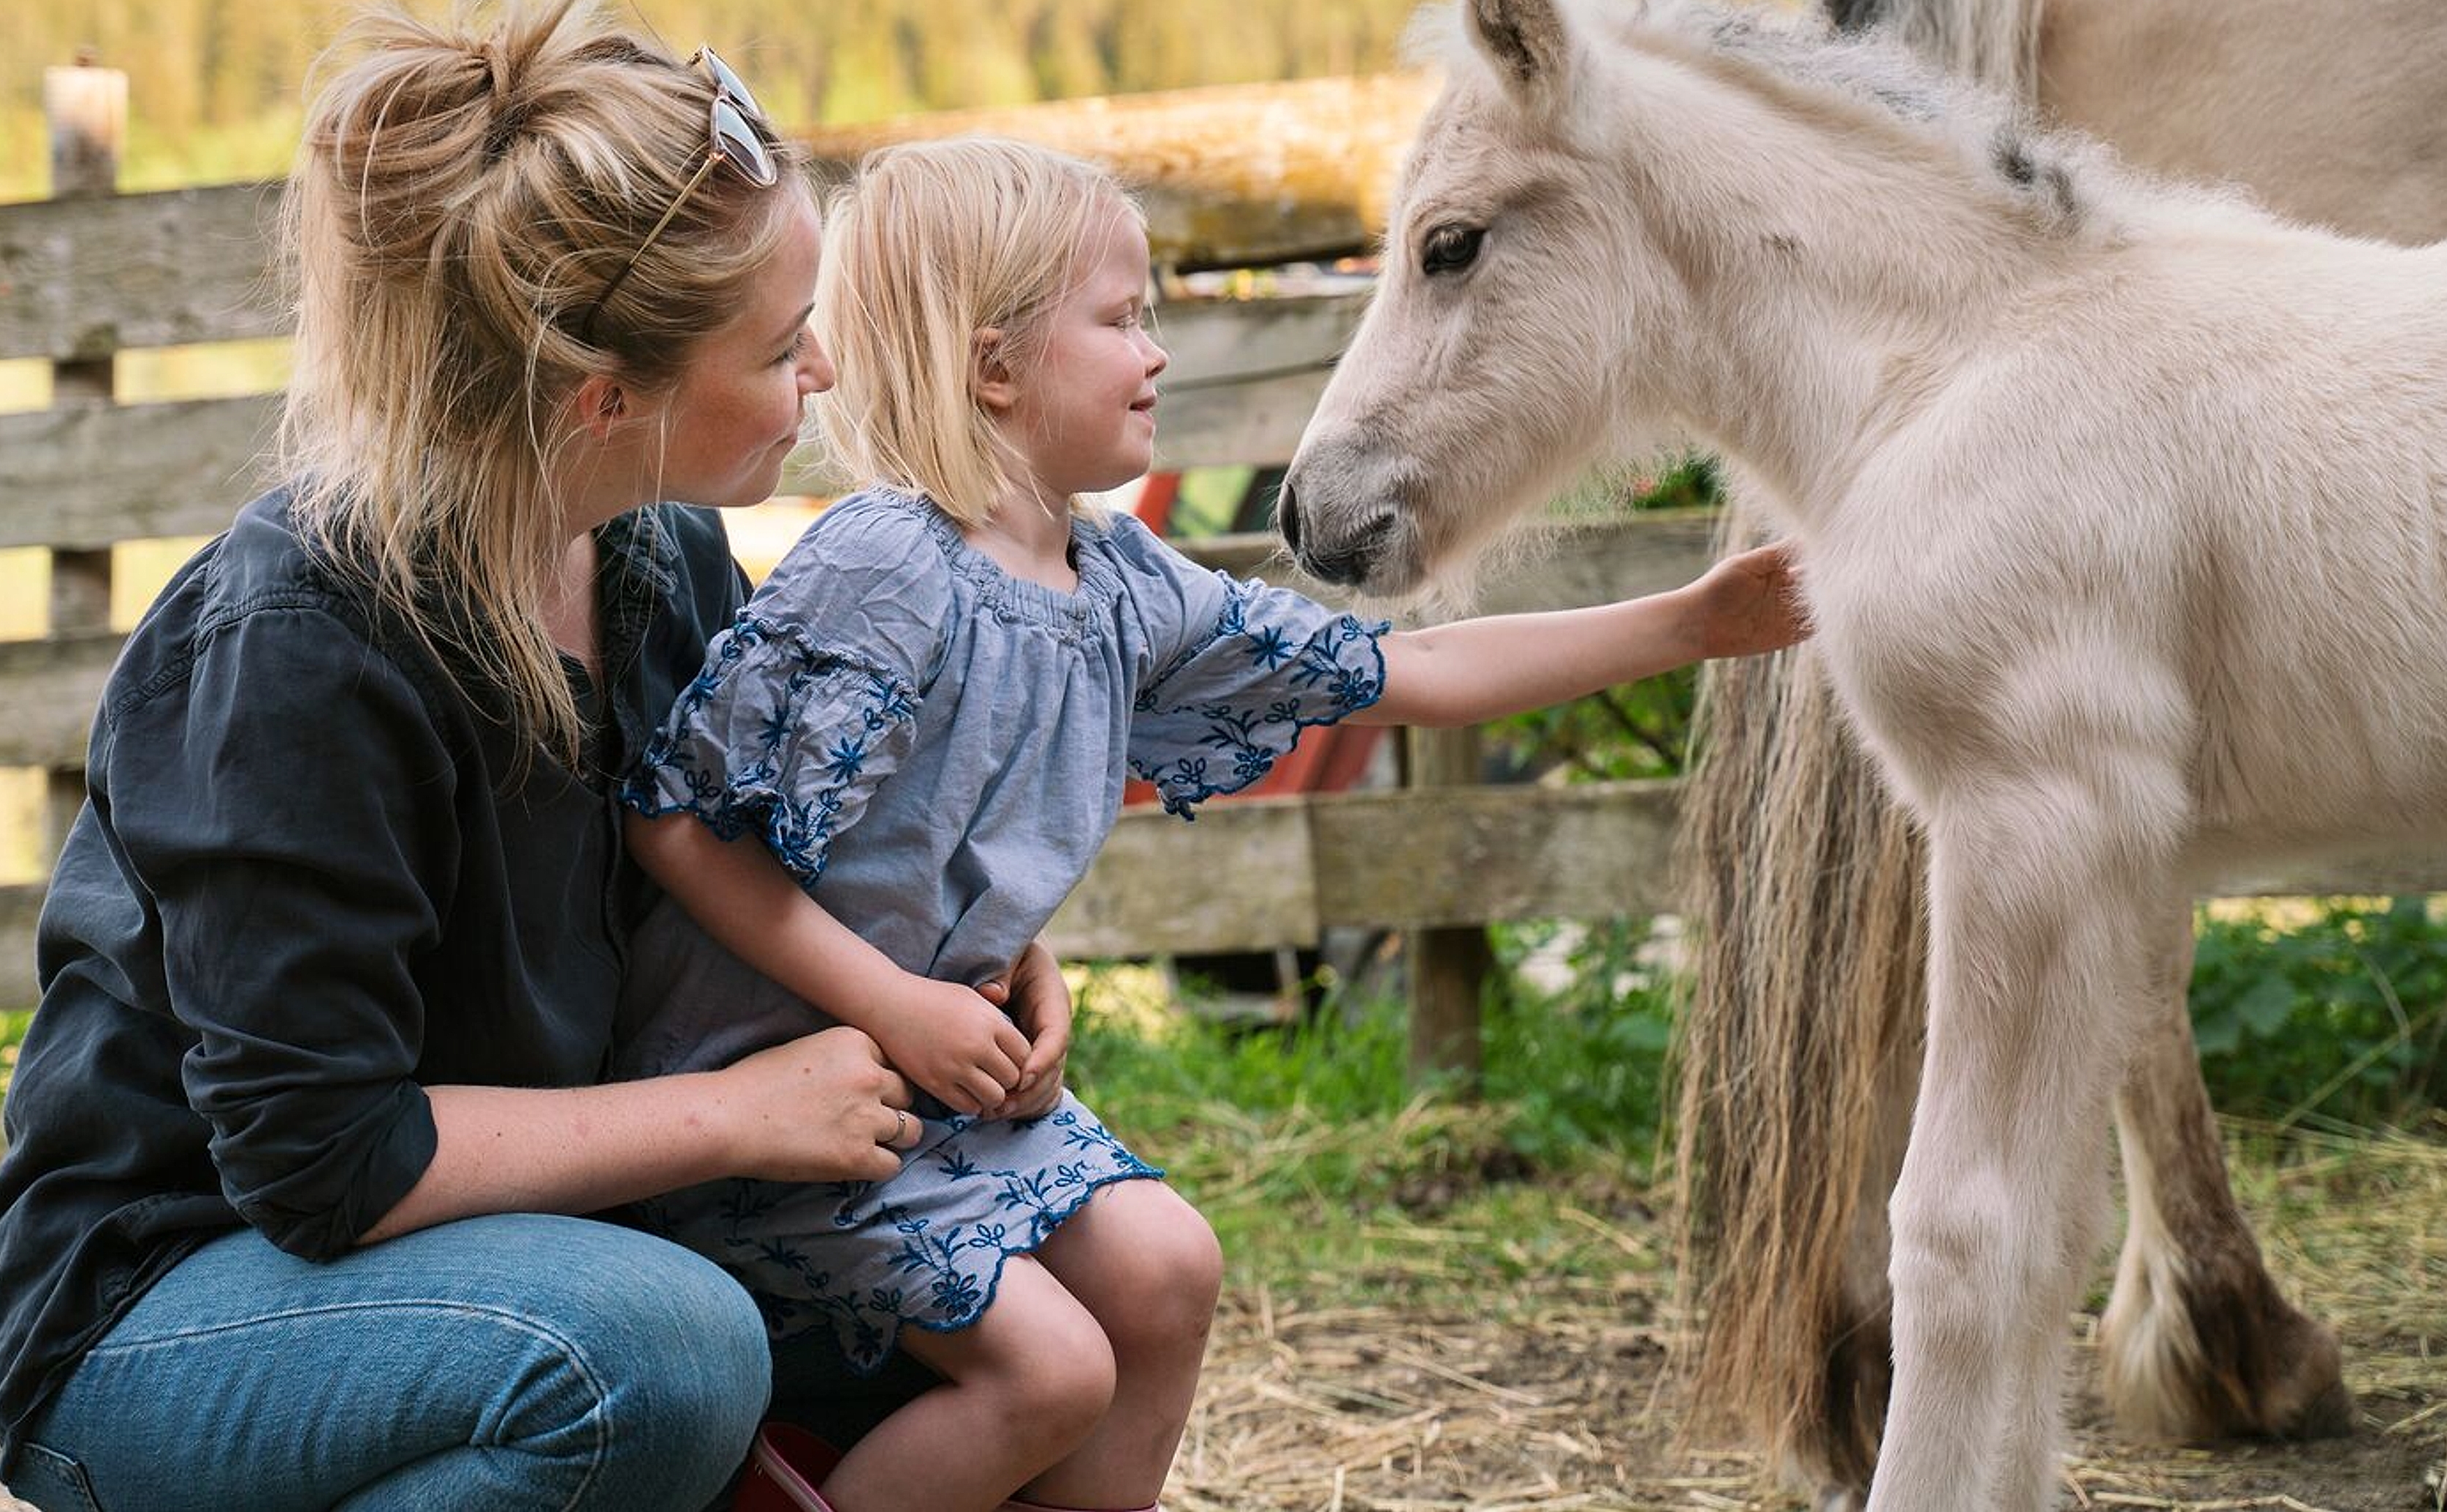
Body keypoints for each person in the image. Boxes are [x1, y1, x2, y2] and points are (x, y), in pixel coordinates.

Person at [612, 137, 1812, 1512]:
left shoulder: (1118, 580)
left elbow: (1404, 671)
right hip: (788, 1100)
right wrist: (899, 1004)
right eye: (1122, 321)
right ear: (997, 367)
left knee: (1172, 1267)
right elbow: (685, 833)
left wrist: (1694, 621)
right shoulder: (884, 571)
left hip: (943, 1086)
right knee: (1051, 1372)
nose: (1157, 354)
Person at [0, 0, 995, 1511]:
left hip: (517, 1246)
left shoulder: (659, 562)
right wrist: (738, 1114)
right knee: (661, 1356)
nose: (826, 373)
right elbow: (322, 1166)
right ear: (602, 399)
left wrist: (960, 956)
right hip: (179, 1312)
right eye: (783, 345)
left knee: (1002, 1285)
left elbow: (754, 877)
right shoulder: (298, 652)